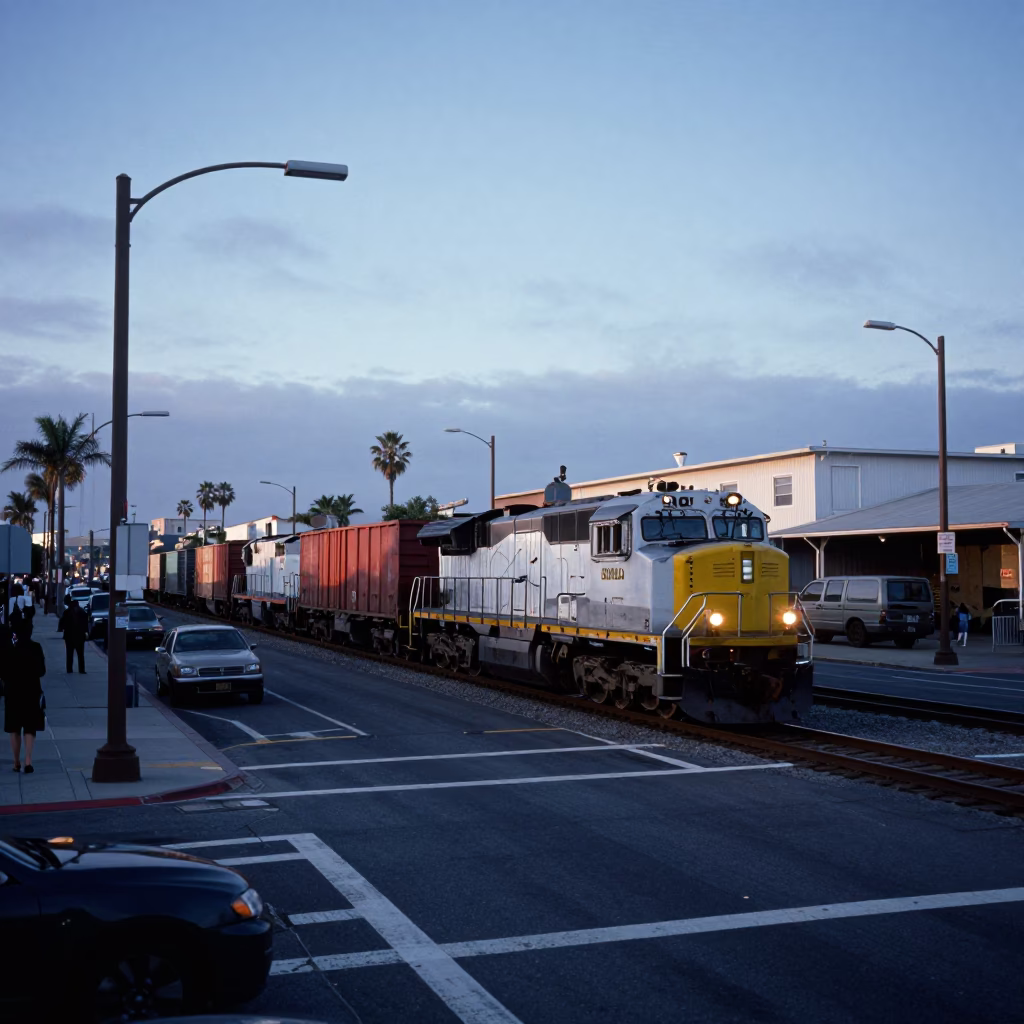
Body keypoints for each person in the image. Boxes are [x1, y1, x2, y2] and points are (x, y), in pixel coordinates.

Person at [3, 617, 46, 773]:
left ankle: (16, 762)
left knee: (14, 728)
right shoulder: (36, 648)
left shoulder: (9, 650)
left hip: (13, 691)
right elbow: (42, 671)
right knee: (30, 726)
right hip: (31, 690)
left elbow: (2, 672)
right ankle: (28, 760)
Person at [58, 594, 88, 674]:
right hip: (79, 636)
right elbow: (86, 624)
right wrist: (86, 633)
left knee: (70, 654)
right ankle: (81, 670)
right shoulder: (82, 612)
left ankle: (69, 669)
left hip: (69, 636)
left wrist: (61, 628)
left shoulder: (67, 612)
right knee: (80, 654)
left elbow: (62, 623)